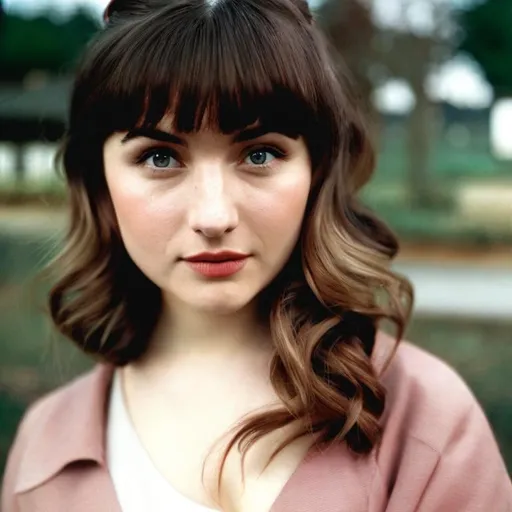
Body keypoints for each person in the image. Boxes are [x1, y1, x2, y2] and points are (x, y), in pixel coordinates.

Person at [2, 0, 511, 510]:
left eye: (259, 154)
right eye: (160, 157)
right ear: (100, 180)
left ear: (318, 169)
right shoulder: (42, 455)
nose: (214, 215)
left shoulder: (426, 425)